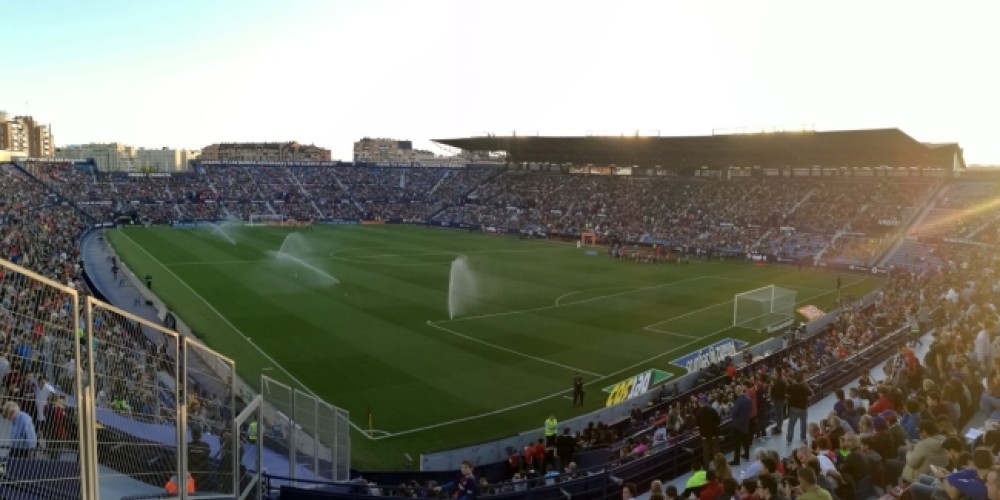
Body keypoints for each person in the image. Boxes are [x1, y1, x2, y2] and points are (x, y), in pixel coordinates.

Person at [786, 373, 813, 446]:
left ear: (795, 380)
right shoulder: (804, 388)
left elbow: (787, 395)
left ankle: (789, 439)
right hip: (802, 408)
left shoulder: (790, 387)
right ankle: (803, 437)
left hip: (793, 408)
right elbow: (811, 394)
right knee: (803, 423)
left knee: (791, 424)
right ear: (802, 380)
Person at [695, 395, 722, 467]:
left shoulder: (698, 412)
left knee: (706, 453)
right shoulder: (712, 410)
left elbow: (697, 424)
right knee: (716, 452)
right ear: (707, 402)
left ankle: (706, 468)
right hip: (714, 435)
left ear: (701, 402)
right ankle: (718, 467)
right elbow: (718, 421)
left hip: (704, 436)